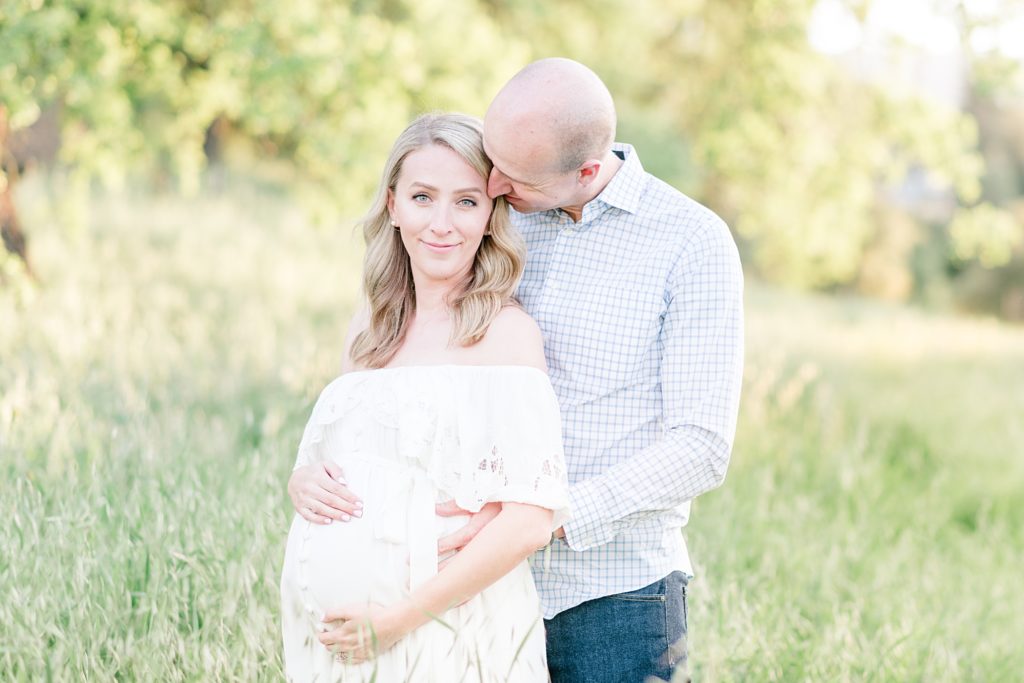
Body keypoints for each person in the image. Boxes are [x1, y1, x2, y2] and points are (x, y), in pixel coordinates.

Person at [291, 58, 744, 682]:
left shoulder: (689, 242)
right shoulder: (498, 213)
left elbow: (702, 447)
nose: (495, 182)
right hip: (469, 597)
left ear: (585, 171)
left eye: (510, 176)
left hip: (610, 595)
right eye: (492, 164)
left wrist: (544, 516)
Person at [279, 112, 570, 682]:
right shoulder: (369, 328)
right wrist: (302, 480)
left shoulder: (506, 334)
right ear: (392, 206)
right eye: (422, 197)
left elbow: (529, 520)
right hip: (341, 649)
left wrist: (397, 621)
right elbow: (351, 465)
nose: (442, 223)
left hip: (451, 638)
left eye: (466, 201)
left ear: (490, 218)